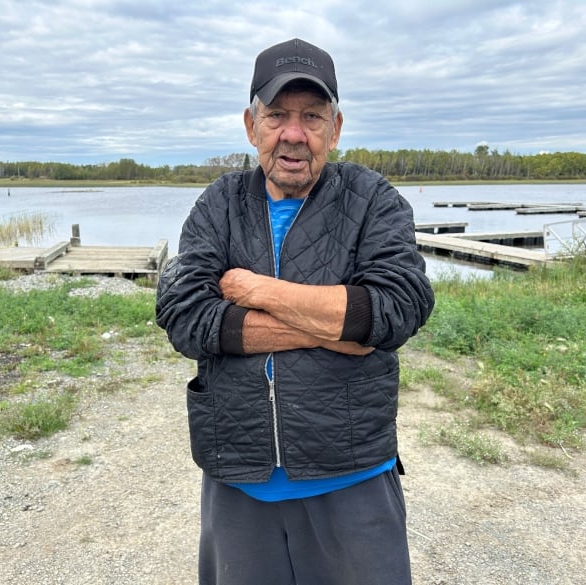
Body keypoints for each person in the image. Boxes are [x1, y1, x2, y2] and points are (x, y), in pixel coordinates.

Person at [155, 38, 435, 585]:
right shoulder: (220, 203)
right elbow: (184, 312)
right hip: (238, 477)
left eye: (312, 116)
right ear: (250, 124)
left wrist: (256, 290)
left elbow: (397, 306)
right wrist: (334, 329)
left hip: (352, 477)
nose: (293, 133)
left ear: (336, 127)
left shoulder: (372, 199)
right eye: (277, 114)